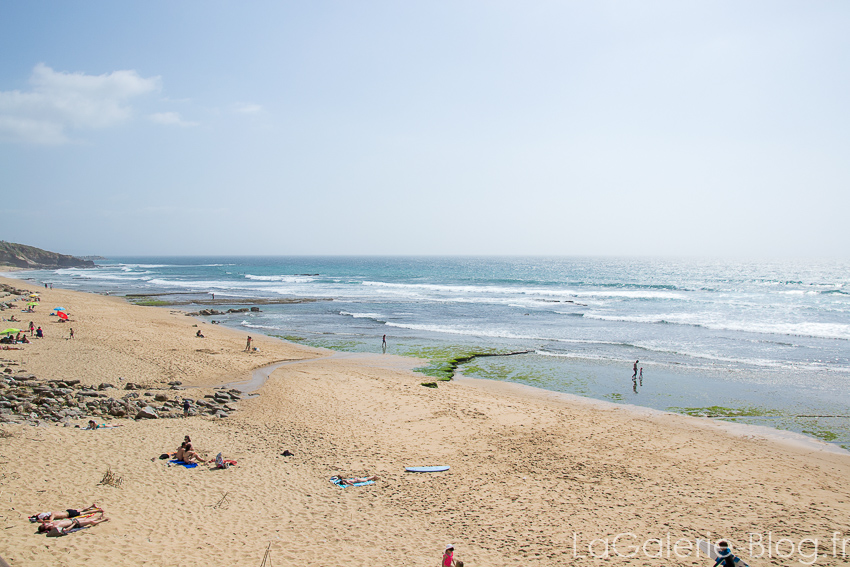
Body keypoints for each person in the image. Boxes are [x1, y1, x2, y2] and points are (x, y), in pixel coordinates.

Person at [38, 513, 109, 537]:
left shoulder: (51, 523)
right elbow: (66, 530)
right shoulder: (54, 528)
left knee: (85, 519)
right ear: (46, 528)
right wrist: (74, 524)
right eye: (45, 525)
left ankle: (98, 518)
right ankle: (102, 520)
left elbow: (45, 521)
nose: (45, 524)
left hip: (71, 520)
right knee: (90, 521)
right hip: (74, 523)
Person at [29, 504, 102, 523]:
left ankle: (97, 510)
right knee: (81, 509)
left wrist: (42, 521)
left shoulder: (52, 515)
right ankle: (92, 506)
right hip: (67, 511)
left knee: (84, 512)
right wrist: (35, 516)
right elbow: (39, 514)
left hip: (69, 514)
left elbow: (50, 521)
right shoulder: (49, 513)